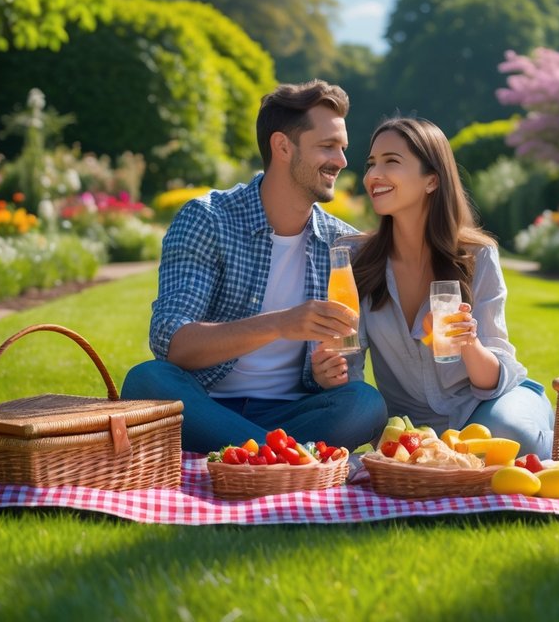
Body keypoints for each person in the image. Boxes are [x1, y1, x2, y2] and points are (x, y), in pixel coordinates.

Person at [121, 80, 387, 453]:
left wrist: (331, 378)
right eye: (327, 146)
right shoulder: (208, 219)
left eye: (342, 148)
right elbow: (172, 344)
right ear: (282, 146)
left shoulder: (341, 245)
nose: (342, 161)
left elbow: (345, 370)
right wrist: (280, 323)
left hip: (294, 414)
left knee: (364, 403)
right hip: (206, 405)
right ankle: (288, 457)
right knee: (147, 380)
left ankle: (259, 455)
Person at [345, 116, 555, 458]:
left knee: (510, 436)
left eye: (391, 162)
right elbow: (350, 368)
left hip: (486, 406)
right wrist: (330, 372)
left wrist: (469, 344)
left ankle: (549, 431)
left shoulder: (476, 255)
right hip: (410, 425)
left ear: (431, 181)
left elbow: (494, 377)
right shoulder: (358, 259)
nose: (373, 176)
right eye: (371, 164)